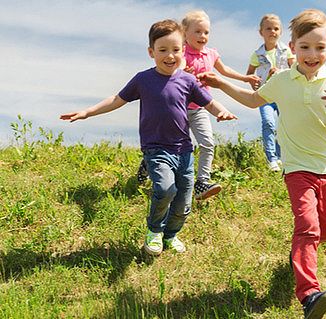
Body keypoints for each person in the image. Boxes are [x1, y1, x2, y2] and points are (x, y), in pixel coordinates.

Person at [199, 9, 326, 319]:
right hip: (297, 167)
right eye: (305, 47)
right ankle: (309, 294)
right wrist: (220, 84)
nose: (312, 55)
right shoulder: (283, 79)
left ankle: (301, 252)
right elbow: (253, 100)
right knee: (308, 227)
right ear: (293, 47)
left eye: (320, 48)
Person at [60, 19, 237, 256]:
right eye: (162, 50)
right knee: (165, 189)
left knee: (183, 204)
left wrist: (221, 111)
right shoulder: (143, 80)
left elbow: (209, 102)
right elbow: (117, 99)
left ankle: (171, 236)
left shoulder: (187, 80)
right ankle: (154, 231)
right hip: (156, 149)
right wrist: (87, 112)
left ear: (183, 50)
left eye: (175, 50)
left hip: (184, 150)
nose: (170, 55)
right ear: (151, 52)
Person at [138, 10, 260, 200]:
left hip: (199, 108)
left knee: (207, 143)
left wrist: (244, 78)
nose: (203, 36)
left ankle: (202, 181)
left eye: (206, 32)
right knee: (168, 145)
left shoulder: (211, 54)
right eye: (198, 32)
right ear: (184, 33)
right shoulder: (180, 52)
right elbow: (174, 67)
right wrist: (182, 69)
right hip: (177, 109)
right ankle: (149, 162)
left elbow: (224, 70)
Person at [246, 14, 295, 172]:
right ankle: (272, 159)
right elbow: (249, 73)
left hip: (283, 93)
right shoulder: (257, 54)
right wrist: (255, 84)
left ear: (280, 31)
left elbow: (295, 69)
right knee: (268, 123)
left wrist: (280, 71)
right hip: (265, 94)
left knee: (283, 124)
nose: (272, 31)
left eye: (276, 28)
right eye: (268, 28)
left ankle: (281, 157)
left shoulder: (286, 50)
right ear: (261, 32)